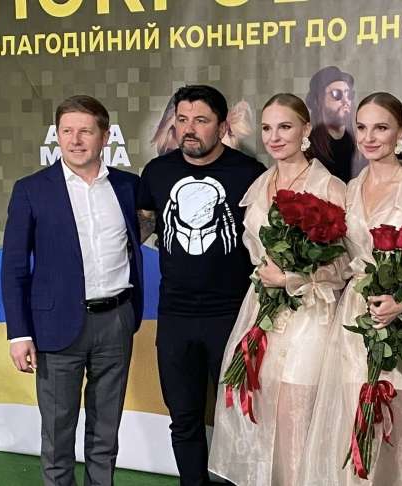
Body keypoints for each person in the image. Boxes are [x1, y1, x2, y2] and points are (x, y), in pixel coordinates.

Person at [299, 92, 402, 485]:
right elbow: (344, 257)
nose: (369, 137)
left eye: (381, 128)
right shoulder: (352, 188)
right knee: (360, 424)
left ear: (401, 133)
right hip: (357, 318)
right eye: (362, 127)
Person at [2, 95, 144, 486]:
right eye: (66, 131)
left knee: (106, 432)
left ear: (105, 136)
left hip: (117, 321)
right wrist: (19, 333)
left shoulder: (129, 187)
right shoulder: (31, 190)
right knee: (57, 434)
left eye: (85, 131)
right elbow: (14, 268)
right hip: (55, 327)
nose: (75, 140)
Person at [208, 93, 347, 486]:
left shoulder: (329, 186)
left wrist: (293, 279)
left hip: (311, 315)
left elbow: (346, 264)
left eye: (285, 126)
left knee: (296, 417)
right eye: (267, 128)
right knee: (261, 412)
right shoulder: (260, 184)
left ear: (306, 129)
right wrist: (272, 279)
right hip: (261, 310)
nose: (274, 136)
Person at [137, 85, 265, 485]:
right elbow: (141, 227)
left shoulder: (249, 174)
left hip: (232, 316)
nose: (189, 129)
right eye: (182, 120)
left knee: (240, 417)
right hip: (175, 315)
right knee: (184, 417)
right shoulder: (157, 172)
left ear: (222, 127)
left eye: (201, 120)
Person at [305, 66, 357, 181]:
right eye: (336, 94)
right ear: (318, 100)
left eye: (348, 94)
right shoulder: (309, 146)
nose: (346, 101)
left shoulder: (361, 139)